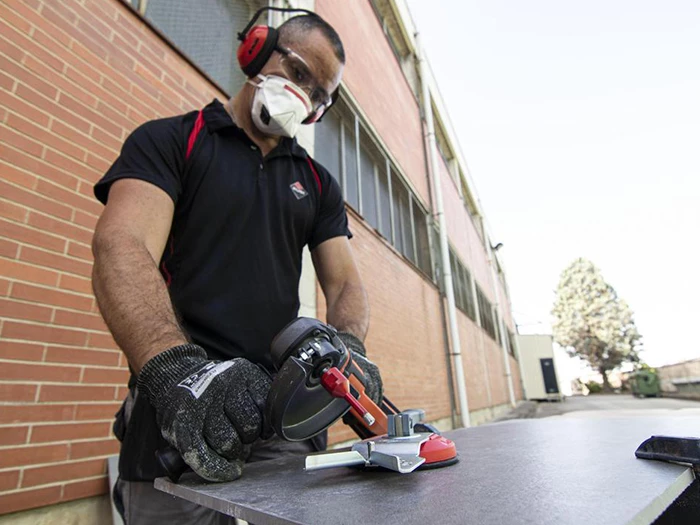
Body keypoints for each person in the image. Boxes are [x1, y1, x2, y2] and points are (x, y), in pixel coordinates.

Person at [91, 12, 383, 525]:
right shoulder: (171, 141)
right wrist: (175, 372)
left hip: (284, 420)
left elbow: (346, 284)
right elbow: (123, 244)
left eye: (320, 94)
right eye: (297, 72)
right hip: (176, 415)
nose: (305, 96)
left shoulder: (316, 183)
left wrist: (349, 348)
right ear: (256, 50)